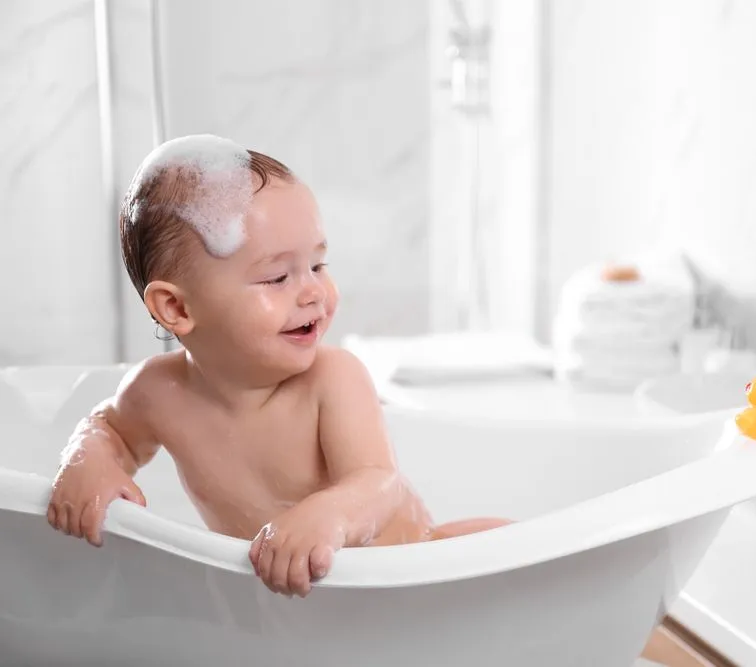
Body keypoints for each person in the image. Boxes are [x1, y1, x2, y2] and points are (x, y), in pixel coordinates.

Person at [46, 134, 509, 598]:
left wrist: (329, 514)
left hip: (407, 567)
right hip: (290, 601)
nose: (312, 293)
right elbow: (110, 427)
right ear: (176, 309)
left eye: (318, 265)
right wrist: (86, 460)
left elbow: (378, 482)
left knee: (509, 548)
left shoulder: (332, 379)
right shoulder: (158, 393)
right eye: (277, 277)